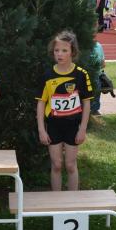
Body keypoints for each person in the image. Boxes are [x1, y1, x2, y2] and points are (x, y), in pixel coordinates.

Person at [36, 30, 92, 191]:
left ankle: (72, 200)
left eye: (64, 50)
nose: (59, 54)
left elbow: (86, 103)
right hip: (53, 125)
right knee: (56, 164)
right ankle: (56, 200)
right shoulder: (47, 75)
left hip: (73, 126)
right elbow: (41, 103)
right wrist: (41, 130)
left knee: (70, 165)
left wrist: (83, 129)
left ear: (72, 52)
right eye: (56, 50)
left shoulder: (81, 75)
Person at [90, 35, 105, 115]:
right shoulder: (99, 46)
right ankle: (95, 110)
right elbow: (103, 64)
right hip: (96, 75)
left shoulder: (81, 46)